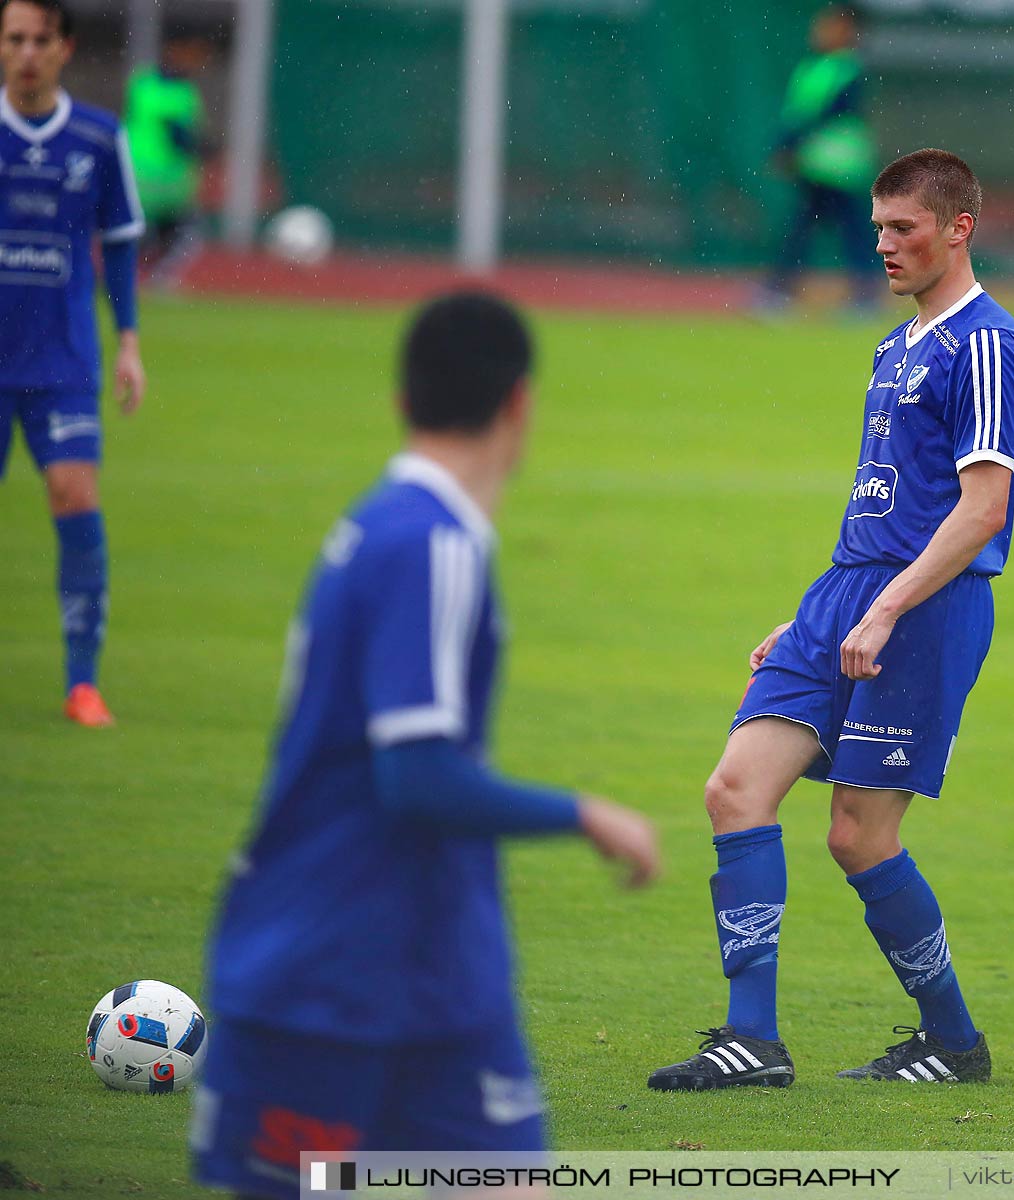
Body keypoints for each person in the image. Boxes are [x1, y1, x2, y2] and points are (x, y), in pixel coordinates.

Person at [190, 292, 661, 1196]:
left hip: (436, 972)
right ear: (521, 403)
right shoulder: (428, 544)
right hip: (330, 970)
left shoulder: (384, 524)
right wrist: (584, 813)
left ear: (402, 398)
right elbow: (417, 774)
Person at [649, 148, 1014, 1090]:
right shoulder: (895, 342)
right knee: (735, 790)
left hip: (926, 608)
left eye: (903, 228)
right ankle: (752, 1041)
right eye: (878, 227)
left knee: (858, 833)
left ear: (958, 230)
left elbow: (982, 509)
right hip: (844, 597)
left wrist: (889, 608)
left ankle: (952, 1040)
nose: (883, 245)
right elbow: (885, 499)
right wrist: (815, 614)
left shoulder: (985, 343)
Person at [0, 0, 146, 727]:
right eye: (14, 39)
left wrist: (128, 341)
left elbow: (118, 242)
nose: (27, 53)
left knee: (74, 498)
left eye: (40, 40)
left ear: (64, 47)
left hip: (61, 360)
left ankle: (81, 683)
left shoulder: (97, 136)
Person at [757, 3, 880, 312]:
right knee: (814, 229)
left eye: (830, 24)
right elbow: (801, 114)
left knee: (840, 230)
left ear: (848, 31)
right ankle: (782, 290)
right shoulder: (817, 67)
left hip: (836, 169)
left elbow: (814, 115)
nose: (821, 30)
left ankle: (782, 291)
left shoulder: (842, 68)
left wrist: (786, 146)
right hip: (819, 168)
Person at [125, 21, 212, 285]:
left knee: (140, 238)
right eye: (193, 52)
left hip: (137, 177)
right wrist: (204, 148)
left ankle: (126, 277)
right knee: (188, 237)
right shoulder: (177, 92)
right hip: (162, 182)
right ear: (174, 50)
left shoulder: (141, 82)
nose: (197, 60)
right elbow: (180, 137)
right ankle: (158, 279)